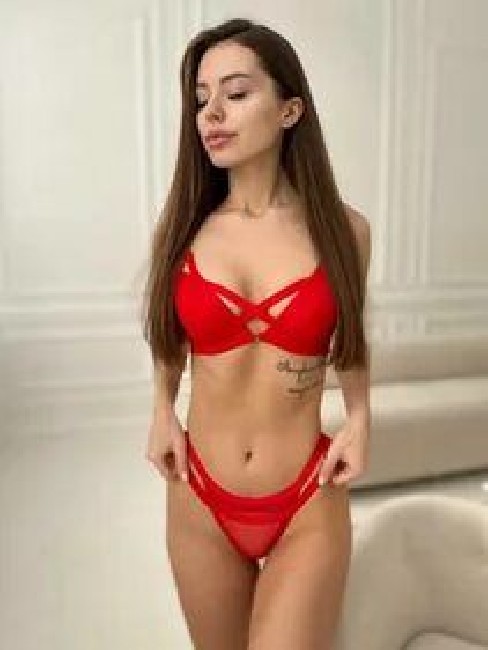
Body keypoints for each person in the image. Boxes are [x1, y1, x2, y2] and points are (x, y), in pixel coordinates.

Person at [141, 17, 372, 650]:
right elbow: (168, 337)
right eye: (201, 99)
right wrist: (161, 409)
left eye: (236, 93)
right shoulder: (182, 229)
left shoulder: (346, 232)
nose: (211, 113)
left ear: (290, 110)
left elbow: (352, 342)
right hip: (200, 497)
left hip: (306, 497)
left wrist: (360, 418)